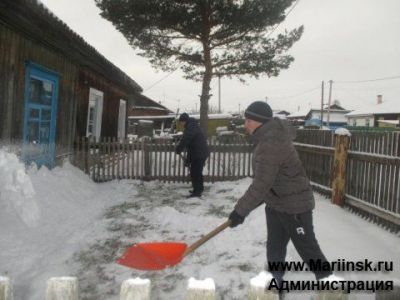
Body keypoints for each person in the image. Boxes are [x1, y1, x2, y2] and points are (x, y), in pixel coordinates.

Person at [228, 101, 333, 290]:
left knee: (309, 250)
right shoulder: (266, 139)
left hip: (295, 206)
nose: (245, 124)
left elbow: (261, 183)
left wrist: (239, 211)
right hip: (277, 204)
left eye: (248, 120)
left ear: (259, 121)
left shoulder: (271, 143)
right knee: (275, 247)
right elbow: (269, 181)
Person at [176, 113, 210, 198]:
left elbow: (185, 140)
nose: (181, 124)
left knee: (195, 173)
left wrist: (179, 148)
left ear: (184, 121)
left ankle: (197, 192)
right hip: (198, 152)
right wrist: (188, 160)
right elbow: (190, 146)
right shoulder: (192, 125)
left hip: (199, 153)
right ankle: (199, 189)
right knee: (197, 172)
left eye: (181, 122)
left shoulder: (190, 127)